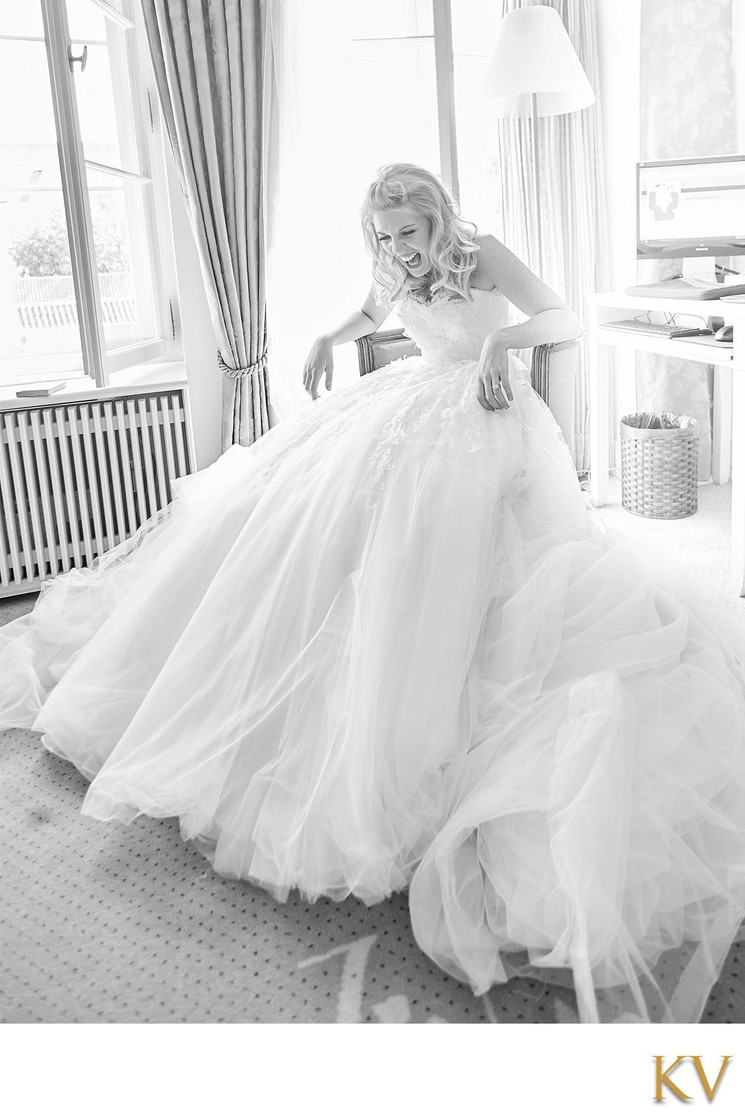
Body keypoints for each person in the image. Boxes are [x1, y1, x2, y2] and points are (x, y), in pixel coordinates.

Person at [2, 163, 745, 1025]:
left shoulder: (483, 253)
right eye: (384, 236)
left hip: (485, 411)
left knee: (459, 538)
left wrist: (503, 345)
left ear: (438, 221)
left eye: (407, 233)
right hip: (409, 403)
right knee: (310, 521)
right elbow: (369, 313)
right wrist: (327, 335)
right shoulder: (392, 265)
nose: (396, 249)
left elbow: (562, 314)